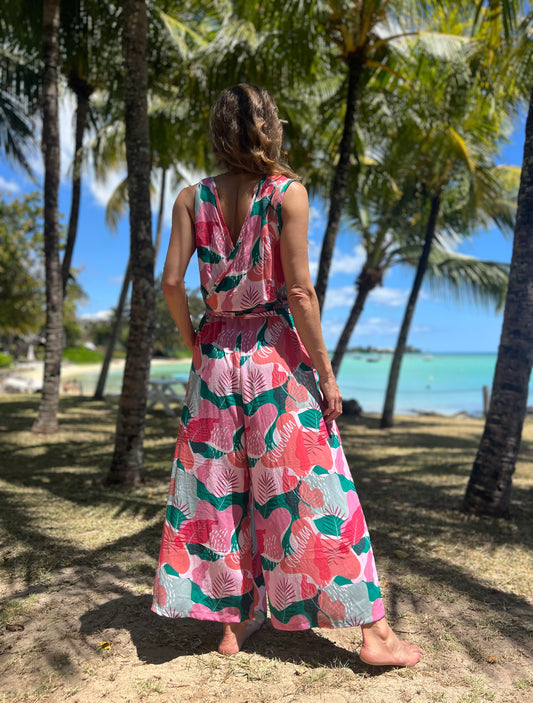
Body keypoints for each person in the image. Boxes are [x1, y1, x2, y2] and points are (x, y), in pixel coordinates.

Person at [152, 84, 421, 667]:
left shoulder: (190, 198)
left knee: (221, 489)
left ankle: (235, 621)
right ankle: (375, 635)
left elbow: (171, 283)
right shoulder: (286, 194)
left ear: (218, 132)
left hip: (214, 358)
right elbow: (299, 292)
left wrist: (195, 343)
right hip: (274, 355)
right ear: (270, 127)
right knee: (315, 486)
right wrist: (327, 375)